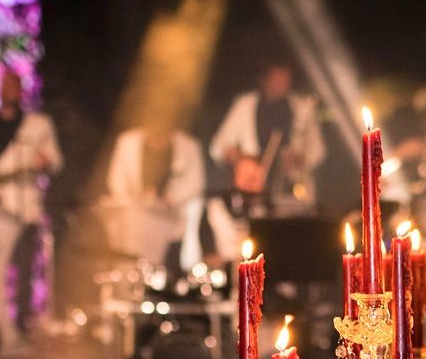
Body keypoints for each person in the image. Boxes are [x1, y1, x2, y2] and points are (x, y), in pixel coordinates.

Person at [0, 67, 63, 346]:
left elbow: (53, 160)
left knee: (24, 267)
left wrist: (43, 162)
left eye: (14, 86)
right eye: (4, 85)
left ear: (21, 91)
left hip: (23, 209)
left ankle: (22, 325)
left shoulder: (38, 124)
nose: (9, 91)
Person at [210, 61, 326, 213]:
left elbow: (318, 149)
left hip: (291, 190)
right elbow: (218, 146)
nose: (282, 85)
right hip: (253, 192)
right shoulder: (245, 105)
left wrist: (300, 159)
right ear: (265, 80)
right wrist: (241, 159)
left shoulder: (301, 108)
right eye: (277, 80)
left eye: (285, 80)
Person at [104, 116, 206, 277]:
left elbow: (196, 183)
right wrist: (138, 197)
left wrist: (172, 198)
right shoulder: (127, 142)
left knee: (161, 271)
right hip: (134, 217)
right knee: (130, 266)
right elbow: (116, 180)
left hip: (169, 218)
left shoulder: (188, 146)